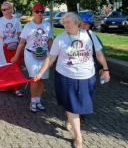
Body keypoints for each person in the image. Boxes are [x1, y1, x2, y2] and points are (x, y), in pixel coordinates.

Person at [33, 12, 110, 148]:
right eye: (64, 22)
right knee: (72, 104)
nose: (65, 25)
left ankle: (69, 116)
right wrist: (40, 73)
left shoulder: (89, 35)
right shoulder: (61, 38)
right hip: (66, 76)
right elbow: (51, 57)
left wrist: (106, 69)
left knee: (82, 103)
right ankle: (78, 136)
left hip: (87, 76)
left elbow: (98, 53)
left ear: (77, 23)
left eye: (68, 22)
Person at [11, 3, 53, 113]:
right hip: (31, 54)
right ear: (33, 12)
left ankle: (38, 100)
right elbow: (21, 43)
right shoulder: (29, 26)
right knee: (35, 78)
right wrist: (16, 55)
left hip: (44, 54)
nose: (39, 13)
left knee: (43, 79)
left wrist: (53, 57)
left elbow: (49, 42)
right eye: (37, 11)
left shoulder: (47, 25)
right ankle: (33, 101)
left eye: (41, 11)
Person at [0, 1, 23, 97]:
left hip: (15, 46)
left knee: (15, 66)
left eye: (5, 9)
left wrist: (23, 45)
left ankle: (15, 87)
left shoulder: (16, 21)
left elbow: (19, 34)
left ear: (10, 10)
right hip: (4, 46)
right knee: (5, 65)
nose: (3, 11)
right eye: (2, 9)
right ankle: (4, 85)